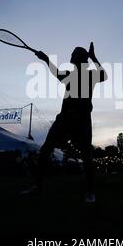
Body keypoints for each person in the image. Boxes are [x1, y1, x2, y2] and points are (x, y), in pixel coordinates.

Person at [22, 42, 107, 203]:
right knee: (45, 150)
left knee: (86, 156)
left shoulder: (90, 75)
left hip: (82, 119)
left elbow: (104, 76)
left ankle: (90, 192)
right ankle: (38, 187)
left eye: (74, 54)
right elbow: (56, 73)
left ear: (81, 59)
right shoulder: (69, 74)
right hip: (64, 118)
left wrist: (93, 56)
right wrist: (46, 59)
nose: (71, 56)